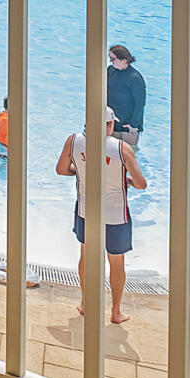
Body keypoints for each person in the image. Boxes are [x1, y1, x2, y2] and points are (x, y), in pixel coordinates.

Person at [55, 115, 147, 324]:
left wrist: (79, 171)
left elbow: (61, 170)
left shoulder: (73, 141)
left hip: (86, 211)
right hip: (116, 215)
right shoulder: (122, 148)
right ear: (110, 125)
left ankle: (86, 304)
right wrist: (128, 181)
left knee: (86, 256)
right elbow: (141, 184)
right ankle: (115, 312)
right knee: (116, 262)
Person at [105, 44, 148, 144]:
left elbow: (140, 104)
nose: (110, 61)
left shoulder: (135, 78)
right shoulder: (110, 71)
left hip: (128, 128)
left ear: (124, 60)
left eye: (113, 59)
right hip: (112, 126)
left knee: (128, 157)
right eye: (110, 58)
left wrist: (133, 124)